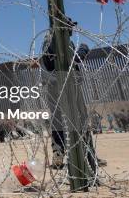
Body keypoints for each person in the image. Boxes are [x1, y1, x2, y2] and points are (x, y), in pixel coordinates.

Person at [40, 17, 106, 171]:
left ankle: (88, 154)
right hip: (57, 87)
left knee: (81, 121)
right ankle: (59, 154)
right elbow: (55, 62)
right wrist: (82, 51)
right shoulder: (51, 40)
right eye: (68, 26)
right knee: (59, 121)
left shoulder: (65, 41)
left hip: (72, 85)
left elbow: (70, 62)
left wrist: (78, 55)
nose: (71, 29)